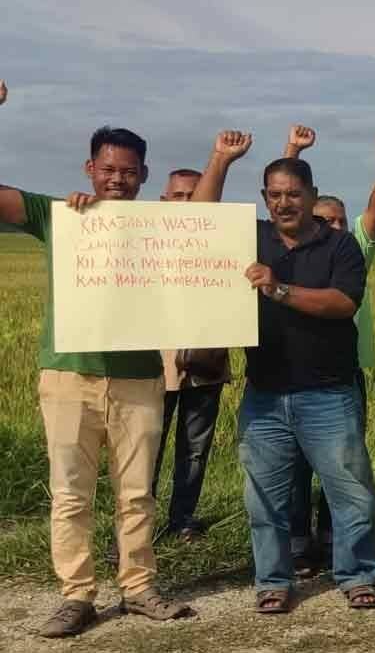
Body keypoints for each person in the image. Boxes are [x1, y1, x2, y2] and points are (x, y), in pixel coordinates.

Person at [0, 118, 245, 636]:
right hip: (69, 375)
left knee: (136, 492)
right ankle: (77, 595)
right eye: (108, 168)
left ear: (143, 175)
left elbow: (201, 220)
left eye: (128, 172)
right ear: (90, 169)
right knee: (71, 493)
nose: (117, 179)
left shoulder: (156, 224)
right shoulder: (60, 214)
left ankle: (138, 587)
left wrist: (218, 160)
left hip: (138, 377)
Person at [198, 145, 375, 613]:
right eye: (275, 195)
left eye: (294, 194)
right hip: (265, 393)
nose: (284, 204)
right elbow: (198, 224)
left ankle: (357, 574)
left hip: (329, 394)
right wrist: (221, 161)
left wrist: (278, 290)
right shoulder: (251, 238)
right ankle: (273, 581)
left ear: (311, 195)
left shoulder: (341, 246)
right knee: (265, 501)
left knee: (350, 494)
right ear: (264, 198)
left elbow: (343, 303)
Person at [282, 125, 375, 575]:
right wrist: (292, 151)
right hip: (293, 370)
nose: (332, 226)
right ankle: (297, 541)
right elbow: (283, 199)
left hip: (343, 374)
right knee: (294, 466)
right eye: (324, 219)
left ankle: (332, 537)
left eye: (339, 220)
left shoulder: (354, 250)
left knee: (342, 463)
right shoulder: (295, 250)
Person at [153, 169, 231, 542]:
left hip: (207, 366)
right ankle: (137, 528)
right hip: (154, 366)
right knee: (145, 451)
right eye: (180, 196)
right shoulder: (147, 244)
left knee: (195, 450)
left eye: (195, 195)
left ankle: (182, 520)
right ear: (164, 202)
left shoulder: (224, 246)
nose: (188, 203)